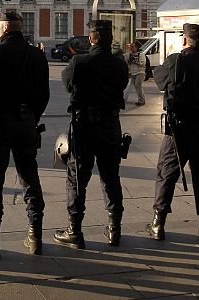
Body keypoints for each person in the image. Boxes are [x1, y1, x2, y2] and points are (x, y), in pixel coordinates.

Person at [0, 10, 49, 259]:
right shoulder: (36, 55)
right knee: (30, 178)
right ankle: (35, 236)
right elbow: (43, 95)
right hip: (26, 123)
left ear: (3, 28)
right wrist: (31, 116)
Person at [54, 20, 128, 249]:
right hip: (110, 125)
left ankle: (74, 230)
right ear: (110, 38)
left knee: (77, 178)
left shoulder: (80, 61)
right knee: (111, 177)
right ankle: (114, 230)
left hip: (84, 125)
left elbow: (66, 84)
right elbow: (123, 86)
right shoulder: (120, 64)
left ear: (92, 38)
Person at [146, 24, 199, 243]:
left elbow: (160, 80)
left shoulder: (176, 60)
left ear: (186, 40)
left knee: (167, 174)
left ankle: (158, 224)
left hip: (179, 130)